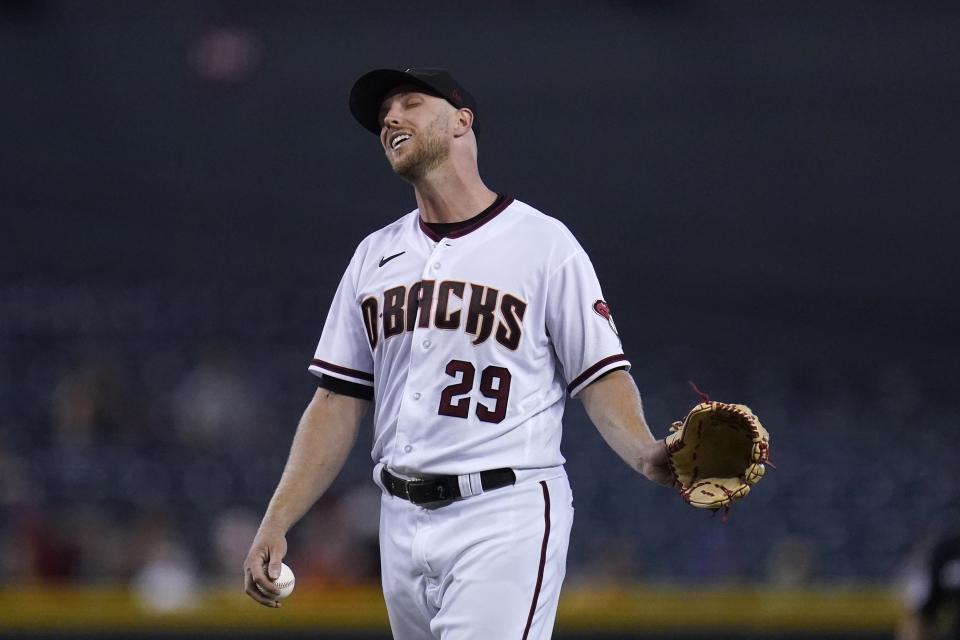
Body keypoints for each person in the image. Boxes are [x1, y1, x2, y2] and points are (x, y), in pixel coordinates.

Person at [243, 67, 673, 639]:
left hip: (504, 511)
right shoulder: (373, 256)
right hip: (397, 519)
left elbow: (599, 373)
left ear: (462, 121)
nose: (391, 119)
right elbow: (335, 401)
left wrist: (644, 451)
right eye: (383, 116)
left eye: (411, 104)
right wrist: (277, 519)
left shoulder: (543, 243)